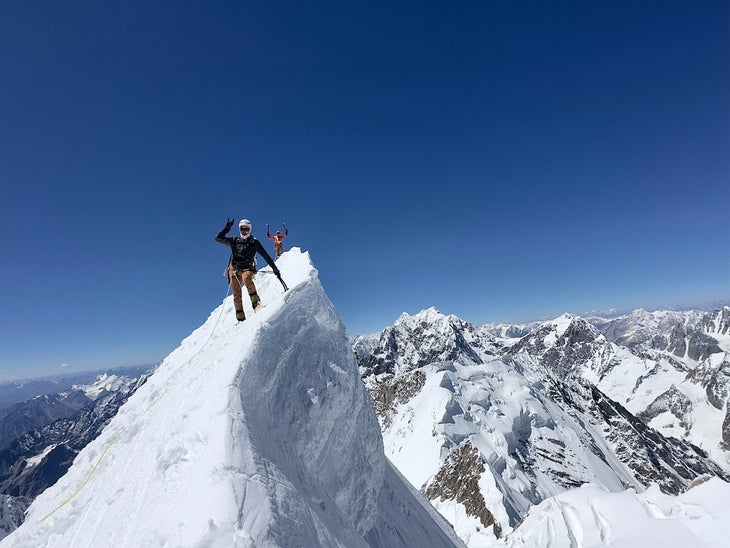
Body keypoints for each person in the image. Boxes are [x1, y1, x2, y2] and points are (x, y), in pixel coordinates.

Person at [216, 218, 280, 322]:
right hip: (234, 269)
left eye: (246, 229)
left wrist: (275, 269)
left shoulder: (254, 243)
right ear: (239, 230)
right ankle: (240, 318)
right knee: (236, 294)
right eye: (242, 229)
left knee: (247, 279)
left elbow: (266, 256)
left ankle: (256, 304)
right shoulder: (234, 241)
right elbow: (218, 238)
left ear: (250, 230)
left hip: (247, 268)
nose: (244, 231)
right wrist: (226, 228)